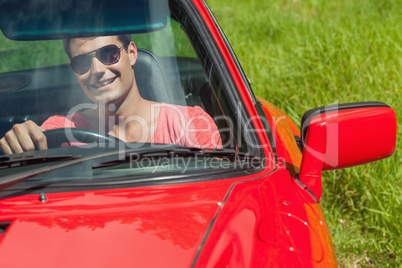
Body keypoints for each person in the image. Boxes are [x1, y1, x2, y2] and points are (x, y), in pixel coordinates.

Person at [0, 35, 221, 154]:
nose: (96, 70)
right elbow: (36, 142)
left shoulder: (190, 124)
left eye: (108, 54)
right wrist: (22, 141)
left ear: (132, 54)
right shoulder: (62, 130)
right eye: (82, 62)